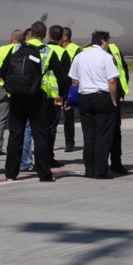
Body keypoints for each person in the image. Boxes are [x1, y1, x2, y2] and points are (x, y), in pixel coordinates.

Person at [0, 21, 63, 182]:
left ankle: (11, 172)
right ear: (43, 36)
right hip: (36, 97)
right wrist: (62, 95)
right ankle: (44, 173)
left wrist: (12, 86)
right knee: (40, 135)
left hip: (16, 97)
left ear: (30, 34)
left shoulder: (16, 48)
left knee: (16, 134)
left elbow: (4, 70)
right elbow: (62, 77)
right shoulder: (47, 51)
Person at [68, 30, 120, 179]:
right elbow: (111, 81)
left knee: (89, 135)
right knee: (103, 136)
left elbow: (74, 81)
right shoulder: (106, 57)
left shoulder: (79, 56)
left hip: (85, 97)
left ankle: (89, 169)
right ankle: (100, 170)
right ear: (103, 41)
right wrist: (114, 99)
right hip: (102, 97)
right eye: (107, 42)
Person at [0, 29, 25, 156]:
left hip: (3, 86)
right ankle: (15, 146)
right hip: (16, 87)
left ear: (11, 38)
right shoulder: (22, 49)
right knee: (17, 119)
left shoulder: (2, 49)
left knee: (1, 118)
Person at [45, 24, 72, 167]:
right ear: (62, 38)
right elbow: (66, 78)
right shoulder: (63, 53)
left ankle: (40, 157)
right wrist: (64, 96)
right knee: (51, 127)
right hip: (56, 96)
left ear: (49, 36)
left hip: (40, 94)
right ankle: (49, 157)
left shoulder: (42, 50)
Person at [107, 38, 131, 174]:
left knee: (115, 132)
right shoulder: (86, 52)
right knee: (101, 134)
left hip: (113, 96)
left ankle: (115, 162)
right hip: (101, 96)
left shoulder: (115, 49)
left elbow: (123, 68)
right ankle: (99, 163)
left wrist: (121, 90)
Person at [60, 27, 82, 152]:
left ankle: (69, 142)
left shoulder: (76, 50)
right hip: (56, 86)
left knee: (68, 116)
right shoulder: (58, 49)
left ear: (65, 37)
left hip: (69, 87)